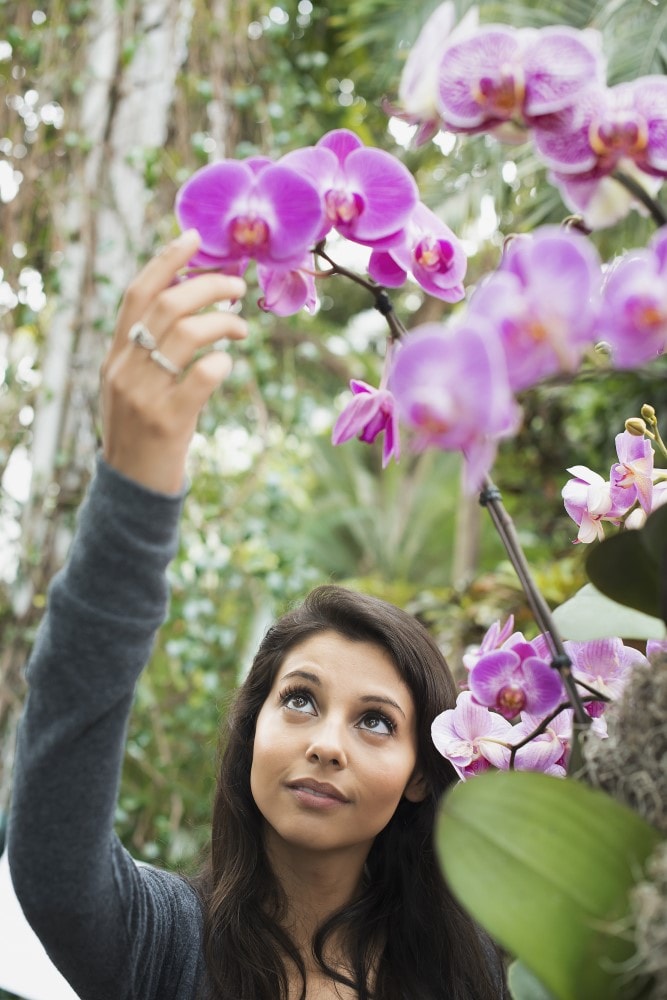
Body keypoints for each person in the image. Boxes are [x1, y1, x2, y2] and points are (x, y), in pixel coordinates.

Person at [8, 231, 506, 1000]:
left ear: (418, 776)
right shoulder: (161, 942)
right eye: (299, 699)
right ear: (253, 728)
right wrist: (136, 485)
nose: (325, 744)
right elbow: (52, 845)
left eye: (375, 720)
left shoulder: (476, 962)